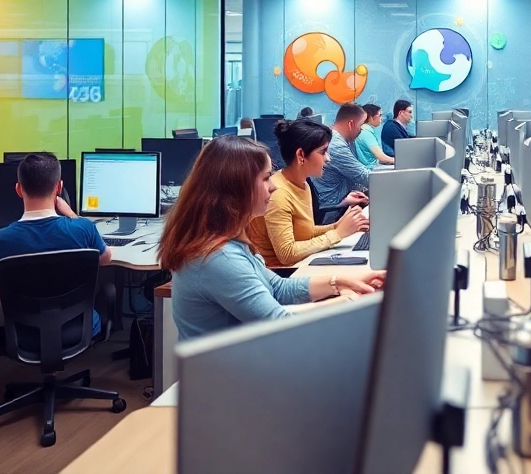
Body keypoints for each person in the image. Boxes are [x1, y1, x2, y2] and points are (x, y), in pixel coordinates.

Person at [161, 135, 384, 340]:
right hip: (228, 377)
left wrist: (337, 282)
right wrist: (347, 302)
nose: (273, 187)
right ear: (238, 187)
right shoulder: (218, 258)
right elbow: (278, 324)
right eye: (266, 178)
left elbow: (277, 289)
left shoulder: (229, 242)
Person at [0, 153, 111, 340]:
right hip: (78, 328)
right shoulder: (83, 228)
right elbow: (106, 259)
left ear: (18, 190)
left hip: (24, 334)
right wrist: (72, 215)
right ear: (59, 187)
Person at [251, 118, 369, 267]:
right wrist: (337, 234)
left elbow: (305, 233)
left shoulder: (303, 184)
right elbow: (287, 254)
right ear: (301, 155)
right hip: (283, 274)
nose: (328, 158)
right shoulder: (279, 193)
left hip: (300, 266)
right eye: (323, 152)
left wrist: (339, 226)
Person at [313, 103, 374, 207]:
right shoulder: (337, 146)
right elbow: (364, 177)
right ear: (351, 124)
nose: (362, 130)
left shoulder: (339, 139)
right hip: (334, 208)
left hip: (344, 197)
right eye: (361, 125)